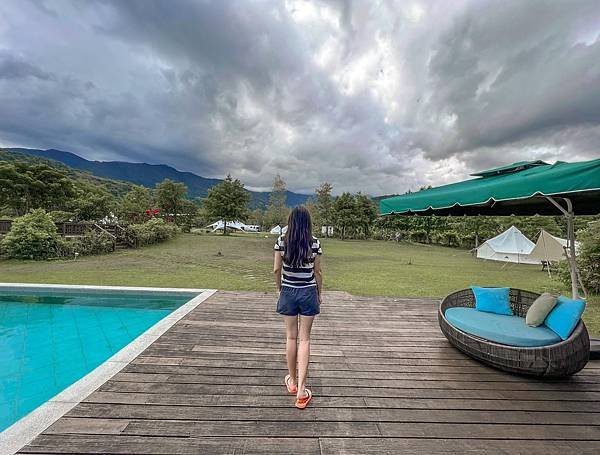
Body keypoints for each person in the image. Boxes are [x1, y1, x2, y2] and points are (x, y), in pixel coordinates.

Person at [273, 206, 323, 409]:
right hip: (308, 291)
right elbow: (317, 272)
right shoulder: (315, 243)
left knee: (291, 337)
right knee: (305, 339)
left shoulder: (281, 242)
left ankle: (292, 382)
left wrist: (280, 289)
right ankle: (302, 391)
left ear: (291, 222)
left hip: (289, 291)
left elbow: (277, 269)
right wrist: (319, 293)